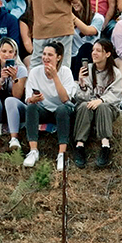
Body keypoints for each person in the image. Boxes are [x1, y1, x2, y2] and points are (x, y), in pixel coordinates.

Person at [21, 40, 73, 170]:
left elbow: (65, 99)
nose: (45, 58)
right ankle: (33, 151)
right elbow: (28, 100)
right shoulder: (35, 72)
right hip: (43, 108)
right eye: (44, 54)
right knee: (31, 107)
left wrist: (55, 76)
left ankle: (62, 153)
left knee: (62, 109)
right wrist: (34, 99)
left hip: (62, 110)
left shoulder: (65, 72)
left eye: (50, 55)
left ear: (58, 57)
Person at [71, 38, 122, 168]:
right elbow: (81, 98)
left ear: (107, 54)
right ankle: (79, 146)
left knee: (103, 107)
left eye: (98, 51)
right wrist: (82, 84)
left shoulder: (115, 73)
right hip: (88, 105)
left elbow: (116, 96)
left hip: (108, 108)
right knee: (83, 106)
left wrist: (100, 100)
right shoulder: (87, 69)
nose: (94, 53)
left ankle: (105, 146)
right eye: (93, 50)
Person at [0, 35, 29, 150]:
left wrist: (14, 79)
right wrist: (2, 79)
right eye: (3, 51)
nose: (7, 55)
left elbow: (17, 96)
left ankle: (14, 138)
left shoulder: (21, 69)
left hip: (16, 108)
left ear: (15, 54)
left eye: (10, 52)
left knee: (10, 100)